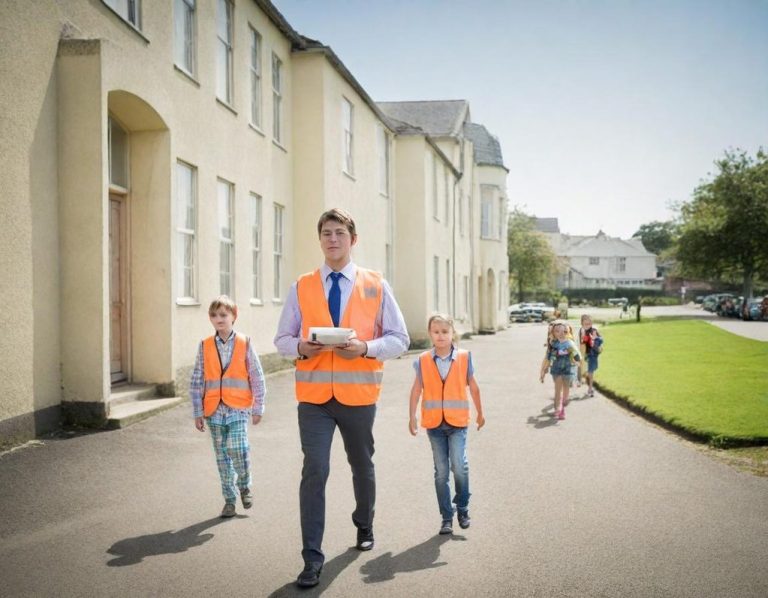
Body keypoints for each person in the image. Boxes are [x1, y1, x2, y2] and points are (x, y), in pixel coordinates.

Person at [274, 208, 409, 588]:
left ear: (353, 239)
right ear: (320, 240)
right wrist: (302, 347)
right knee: (314, 470)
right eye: (326, 233)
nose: (332, 239)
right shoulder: (302, 285)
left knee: (361, 465)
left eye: (339, 233)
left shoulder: (375, 284)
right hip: (314, 398)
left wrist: (365, 347)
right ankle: (311, 559)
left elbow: (399, 339)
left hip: (358, 395)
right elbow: (282, 340)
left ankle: (364, 523)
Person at [189, 296, 266, 518]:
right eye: (214, 315)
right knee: (222, 458)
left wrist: (258, 406)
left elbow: (256, 376)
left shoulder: (245, 342)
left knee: (237, 448)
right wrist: (197, 411)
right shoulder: (204, 345)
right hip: (213, 410)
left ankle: (244, 484)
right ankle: (230, 500)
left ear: (234, 316)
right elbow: (197, 379)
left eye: (223, 314)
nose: (219, 319)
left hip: (239, 407)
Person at [408, 314, 485, 536]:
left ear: (453, 333)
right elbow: (416, 389)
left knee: (459, 465)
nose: (440, 336)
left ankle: (462, 507)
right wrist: (411, 415)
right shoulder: (422, 359)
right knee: (441, 472)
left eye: (445, 331)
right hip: (434, 424)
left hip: (458, 422)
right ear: (430, 334)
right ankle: (446, 517)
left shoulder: (464, 357)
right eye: (436, 332)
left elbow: (474, 387)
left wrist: (480, 413)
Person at [539, 321, 580, 420]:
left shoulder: (570, 344)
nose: (561, 333)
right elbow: (549, 358)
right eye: (557, 331)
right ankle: (559, 409)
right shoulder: (553, 346)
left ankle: (563, 401)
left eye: (564, 331)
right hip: (556, 370)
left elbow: (577, 357)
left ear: (567, 332)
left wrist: (576, 361)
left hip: (567, 370)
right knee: (558, 390)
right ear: (553, 333)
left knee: (566, 389)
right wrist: (544, 371)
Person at [578, 315, 604, 398]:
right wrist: (584, 338)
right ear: (582, 324)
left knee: (592, 370)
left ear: (591, 323)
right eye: (585, 324)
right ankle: (590, 389)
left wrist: (596, 339)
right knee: (590, 372)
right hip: (587, 355)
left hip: (593, 355)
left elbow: (600, 341)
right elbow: (582, 343)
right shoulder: (581, 331)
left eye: (589, 323)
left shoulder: (594, 330)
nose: (587, 325)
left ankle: (588, 382)